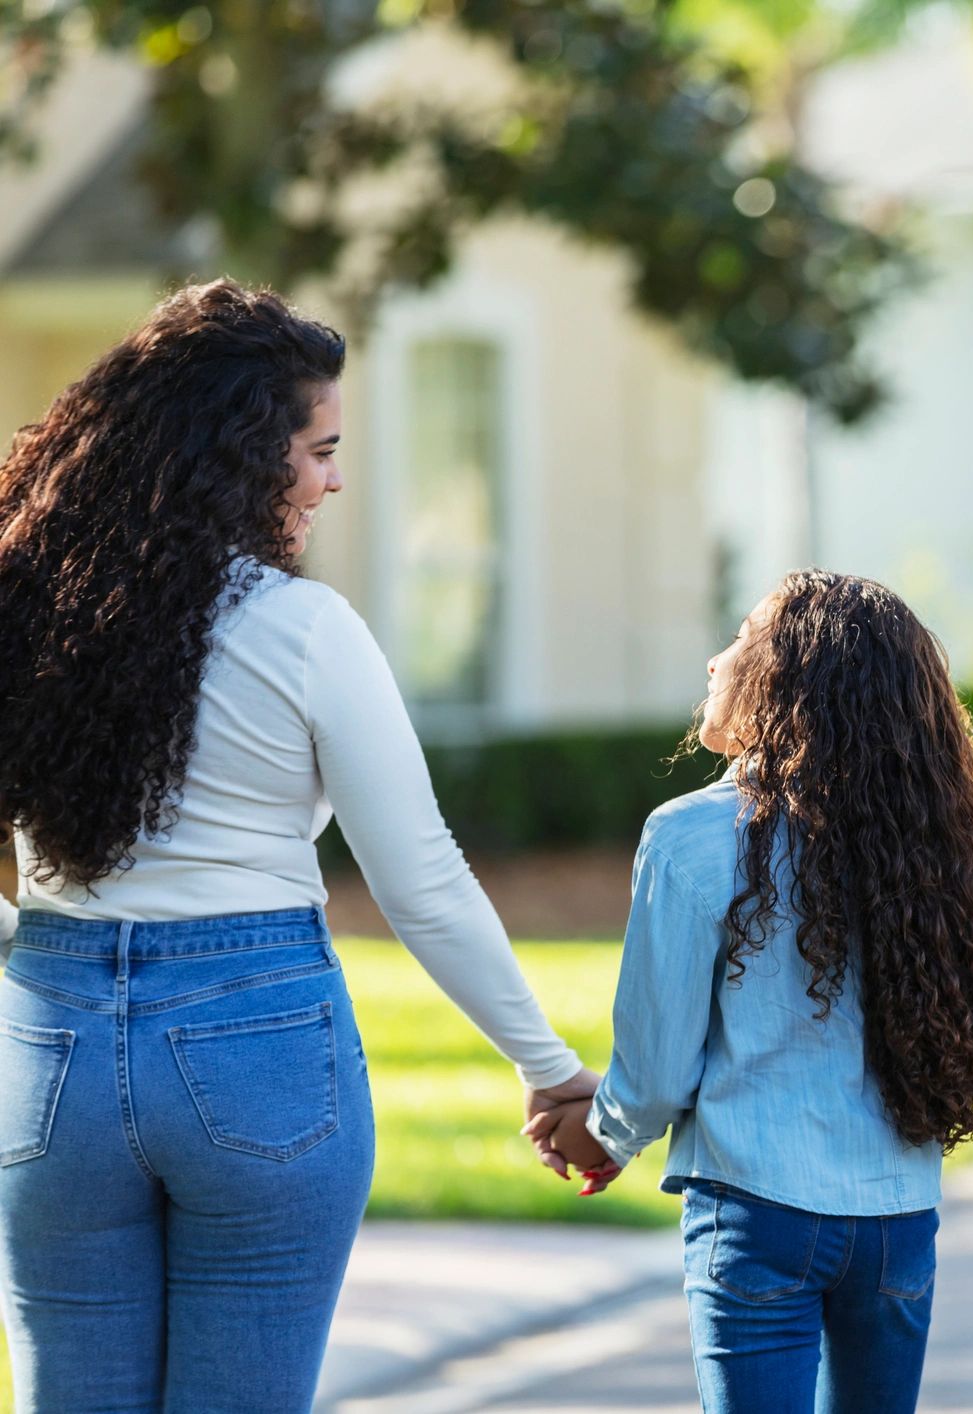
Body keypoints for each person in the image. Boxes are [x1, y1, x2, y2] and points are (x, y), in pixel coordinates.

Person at [0, 280, 599, 1411]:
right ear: (241, 452)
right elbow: (420, 881)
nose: (335, 478)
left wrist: (23, 944)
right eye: (320, 448)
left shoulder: (23, 606)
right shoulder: (304, 630)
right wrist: (549, 1068)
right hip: (257, 1045)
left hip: (52, 1051)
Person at [528, 569, 973, 1414]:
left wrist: (600, 1135)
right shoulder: (929, 848)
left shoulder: (688, 840)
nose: (715, 662)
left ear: (782, 681)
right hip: (894, 1232)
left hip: (754, 1220)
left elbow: (658, 1073)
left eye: (739, 641)